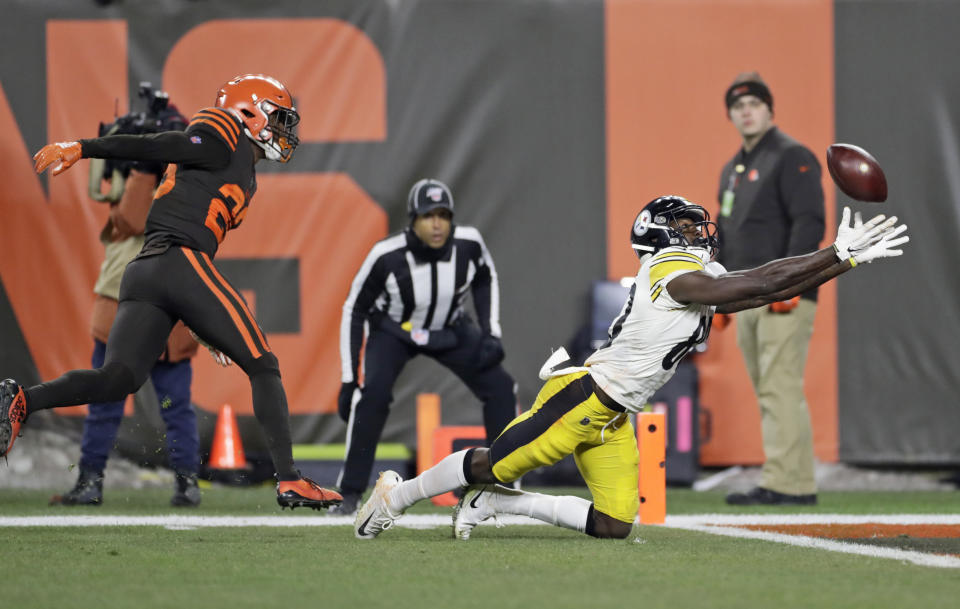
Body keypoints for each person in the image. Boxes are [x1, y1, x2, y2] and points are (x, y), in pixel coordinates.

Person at [350, 195, 907, 540]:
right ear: (664, 236)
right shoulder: (671, 271)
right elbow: (759, 284)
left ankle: (496, 502)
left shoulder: (691, 272)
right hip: (586, 397)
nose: (698, 233)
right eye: (686, 227)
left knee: (614, 524)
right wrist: (837, 255)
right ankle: (394, 495)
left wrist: (841, 261)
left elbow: (760, 285)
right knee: (493, 460)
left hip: (617, 413)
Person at [1, 74, 342, 511]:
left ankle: (23, 398)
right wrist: (85, 147)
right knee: (263, 364)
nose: (282, 130)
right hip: (179, 259)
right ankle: (290, 480)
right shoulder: (224, 129)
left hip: (149, 269)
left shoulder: (240, 163)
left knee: (117, 379)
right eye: (276, 117)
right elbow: (166, 145)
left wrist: (203, 322)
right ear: (249, 111)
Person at [333, 178, 517, 515]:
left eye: (444, 215)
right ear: (412, 219)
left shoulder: (468, 244)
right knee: (371, 396)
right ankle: (350, 493)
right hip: (394, 331)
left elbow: (485, 275)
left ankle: (501, 484)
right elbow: (354, 308)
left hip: (451, 328)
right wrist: (348, 379)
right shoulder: (386, 255)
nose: (437, 224)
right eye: (428, 215)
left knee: (501, 387)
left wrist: (491, 333)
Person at [54, 97, 203, 507]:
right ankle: (90, 480)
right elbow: (132, 216)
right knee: (107, 400)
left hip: (159, 304)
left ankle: (187, 482)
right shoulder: (154, 174)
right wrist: (142, 163)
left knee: (174, 405)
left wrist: (151, 162)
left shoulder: (190, 179)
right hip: (135, 301)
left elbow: (141, 219)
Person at [716, 72, 826, 505]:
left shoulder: (791, 155)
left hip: (782, 294)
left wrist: (793, 283)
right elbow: (725, 233)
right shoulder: (733, 170)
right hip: (746, 294)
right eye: (738, 106)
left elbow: (809, 223)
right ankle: (792, 480)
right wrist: (720, 291)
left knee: (780, 384)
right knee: (769, 386)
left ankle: (787, 483)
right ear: (730, 115)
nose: (746, 111)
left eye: (754, 104)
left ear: (769, 110)